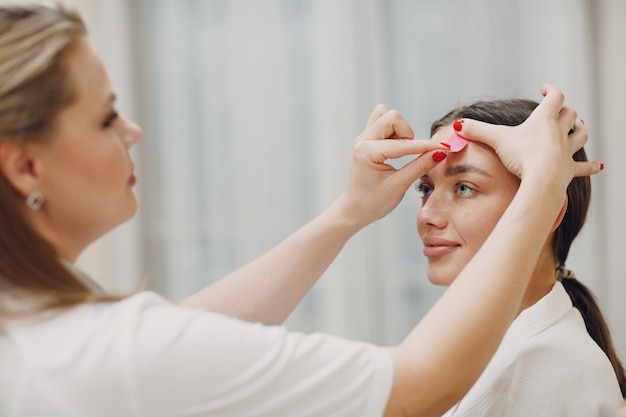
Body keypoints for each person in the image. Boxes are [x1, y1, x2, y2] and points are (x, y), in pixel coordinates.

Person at [0, 4, 602, 417]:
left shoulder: (561, 372)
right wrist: (541, 184)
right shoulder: (80, 347)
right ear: (26, 167)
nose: (132, 130)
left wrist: (348, 212)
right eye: (106, 118)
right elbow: (419, 385)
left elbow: (170, 343)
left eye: (464, 187)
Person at [416, 98, 624, 416]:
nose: (427, 215)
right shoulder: (466, 349)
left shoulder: (547, 375)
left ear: (547, 208)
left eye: (464, 188)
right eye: (425, 188)